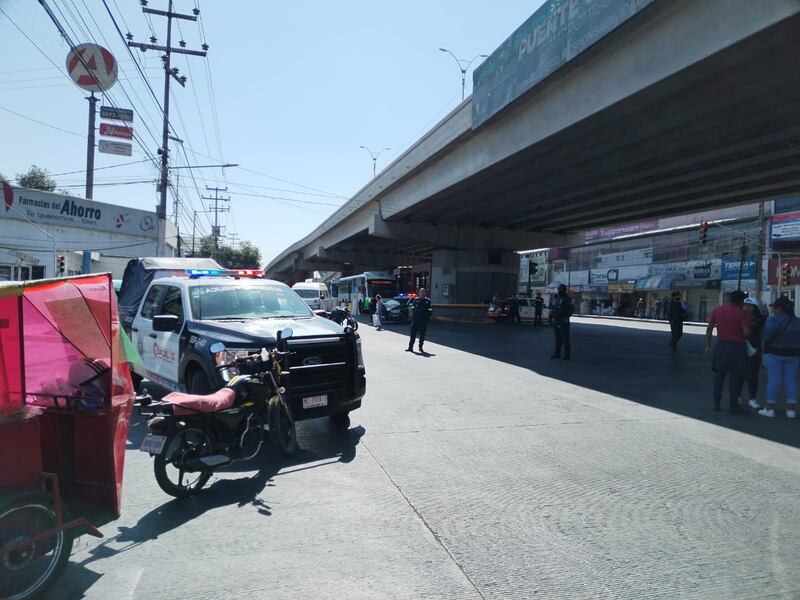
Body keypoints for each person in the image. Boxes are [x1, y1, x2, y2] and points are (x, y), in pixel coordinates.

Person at [705, 290, 750, 414]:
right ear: (741, 301)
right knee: (735, 378)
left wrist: (708, 345)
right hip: (737, 348)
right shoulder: (742, 313)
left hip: (721, 346)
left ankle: (716, 404)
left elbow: (709, 329)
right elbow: (747, 332)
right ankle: (733, 406)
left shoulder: (717, 310)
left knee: (719, 376)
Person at [757, 296, 800, 418]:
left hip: (774, 354)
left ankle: (770, 409)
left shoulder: (772, 320)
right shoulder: (798, 322)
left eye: (774, 307)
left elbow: (765, 338)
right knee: (791, 381)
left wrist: (763, 354)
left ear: (779, 308)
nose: (774, 310)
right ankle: (791, 410)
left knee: (773, 381)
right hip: (793, 356)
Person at [741, 297, 766, 409]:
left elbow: (764, 334)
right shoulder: (739, 317)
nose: (747, 308)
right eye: (745, 305)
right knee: (739, 374)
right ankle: (737, 397)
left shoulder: (762, 319)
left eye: (750, 306)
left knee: (753, 376)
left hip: (755, 350)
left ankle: (752, 398)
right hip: (740, 349)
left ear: (755, 308)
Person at [550, 284, 574, 360]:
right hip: (557, 320)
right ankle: (557, 353)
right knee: (557, 338)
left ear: (564, 290)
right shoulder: (558, 298)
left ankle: (567, 355)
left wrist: (567, 317)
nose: (559, 291)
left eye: (560, 289)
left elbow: (571, 309)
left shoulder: (568, 299)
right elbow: (555, 308)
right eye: (559, 289)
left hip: (563, 320)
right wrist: (553, 317)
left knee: (565, 338)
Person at [406, 287, 433, 353]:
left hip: (423, 321)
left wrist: (427, 318)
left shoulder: (428, 301)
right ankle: (410, 347)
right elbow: (413, 308)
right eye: (421, 292)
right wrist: (412, 316)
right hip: (415, 321)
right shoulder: (416, 300)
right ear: (419, 293)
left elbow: (430, 310)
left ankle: (420, 347)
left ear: (425, 293)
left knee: (422, 335)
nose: (422, 293)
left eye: (423, 292)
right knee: (413, 334)